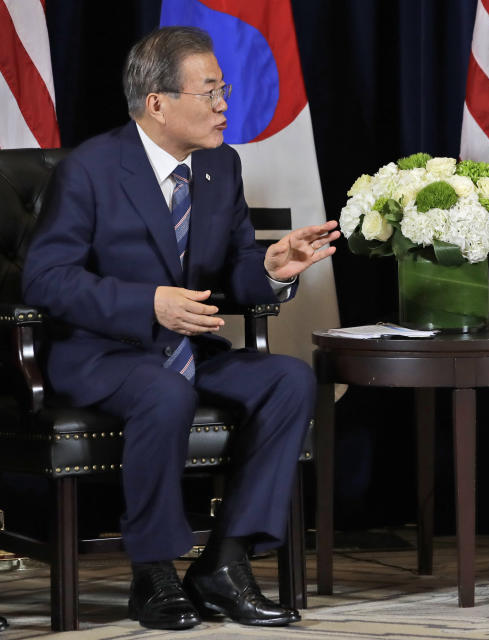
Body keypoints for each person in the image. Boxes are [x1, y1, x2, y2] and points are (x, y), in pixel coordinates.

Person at [22, 27, 339, 630]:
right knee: (165, 392)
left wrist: (273, 268)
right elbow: (45, 279)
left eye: (225, 89)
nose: (225, 105)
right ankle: (155, 572)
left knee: (289, 379)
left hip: (188, 346)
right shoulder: (89, 169)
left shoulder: (221, 165)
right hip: (101, 353)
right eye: (210, 91)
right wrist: (149, 304)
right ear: (158, 103)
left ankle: (225, 561)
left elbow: (238, 268)